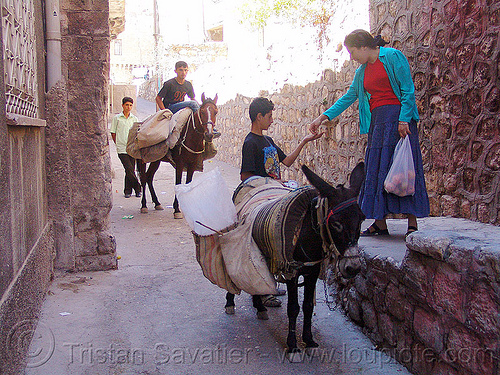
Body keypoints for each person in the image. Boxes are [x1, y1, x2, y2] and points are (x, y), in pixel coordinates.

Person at [309, 29, 429, 238]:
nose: (352, 57)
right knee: (376, 171)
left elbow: (408, 89)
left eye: (353, 51)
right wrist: (323, 117)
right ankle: (380, 223)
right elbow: (349, 97)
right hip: (378, 123)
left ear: (364, 47)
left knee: (404, 169)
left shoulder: (392, 57)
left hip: (399, 120)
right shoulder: (361, 72)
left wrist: (404, 119)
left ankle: (412, 222)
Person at [241, 97, 323, 307]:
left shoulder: (268, 142)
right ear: (259, 117)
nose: (271, 120)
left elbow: (286, 162)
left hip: (276, 189)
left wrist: (304, 141)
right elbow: (245, 176)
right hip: (262, 193)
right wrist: (268, 183)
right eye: (269, 116)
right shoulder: (250, 143)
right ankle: (263, 288)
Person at [110, 97, 141, 198]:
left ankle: (128, 191)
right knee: (128, 168)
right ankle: (138, 187)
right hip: (121, 148)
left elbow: (137, 132)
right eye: (127, 105)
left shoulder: (134, 119)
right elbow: (113, 132)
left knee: (130, 169)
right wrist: (117, 143)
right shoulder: (117, 118)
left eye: (130, 105)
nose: (128, 107)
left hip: (131, 147)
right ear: (123, 105)